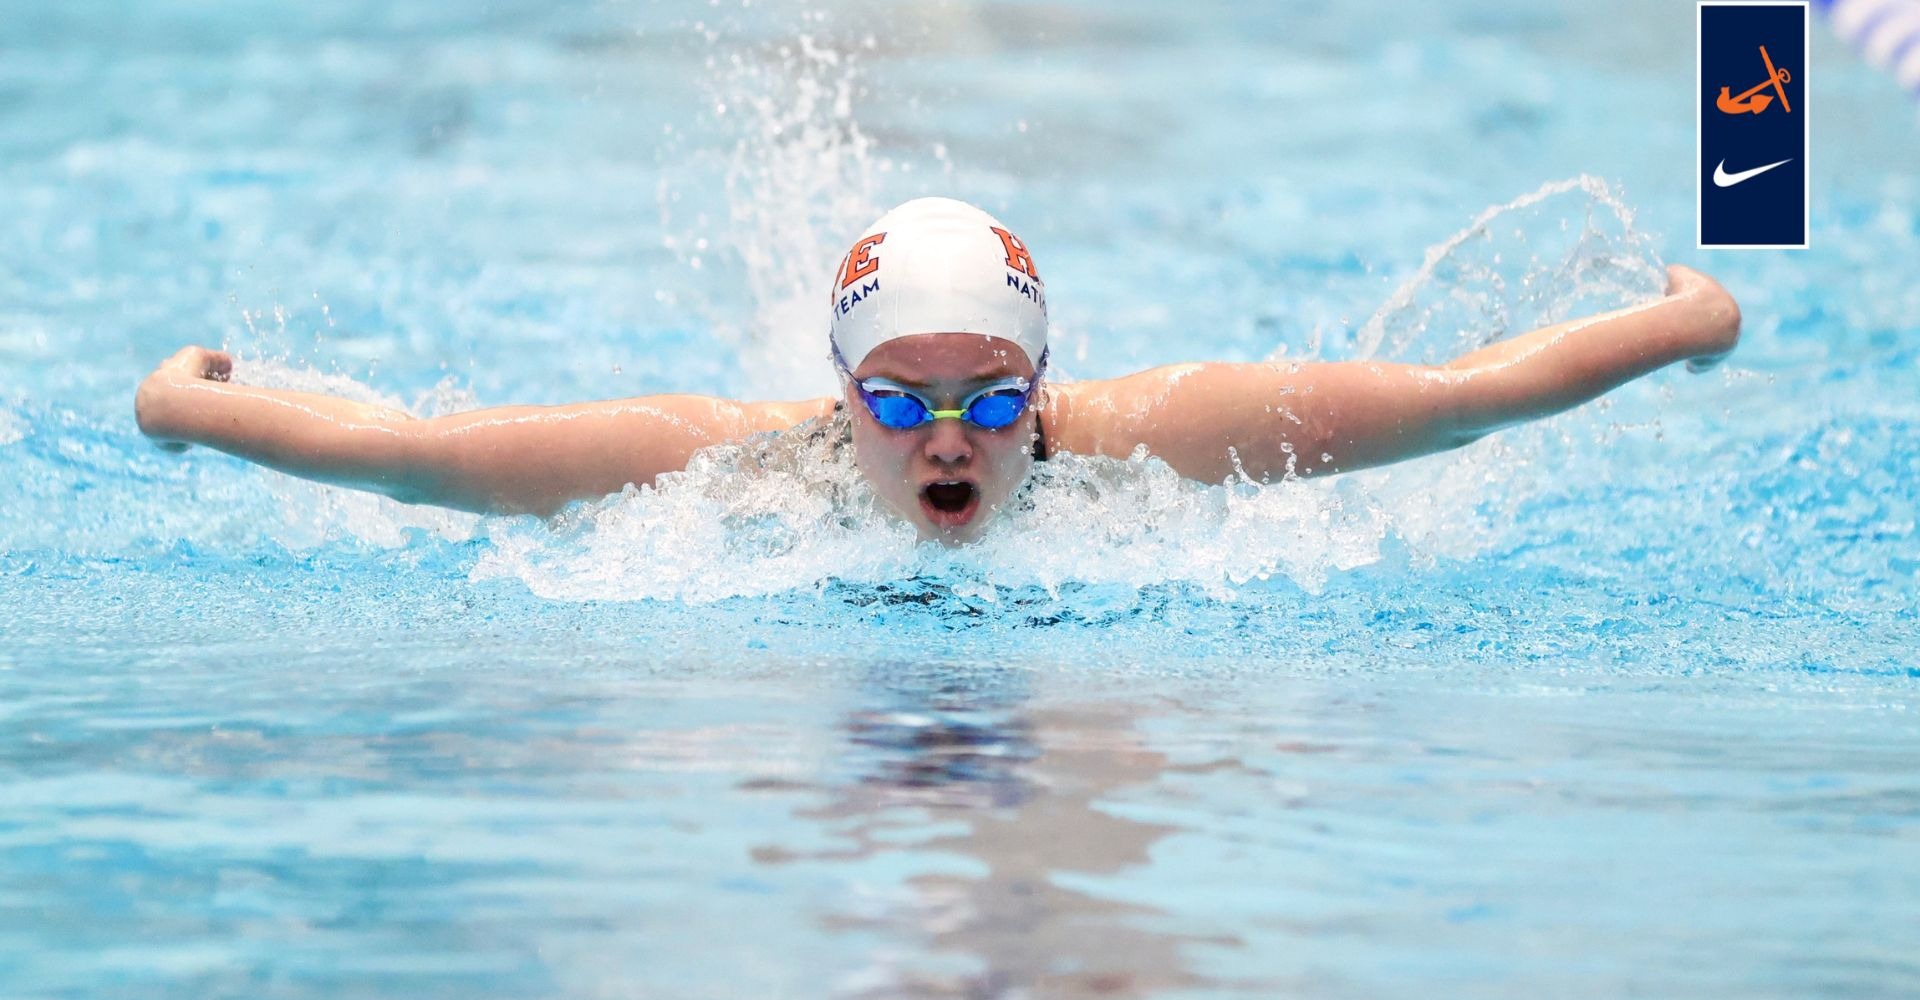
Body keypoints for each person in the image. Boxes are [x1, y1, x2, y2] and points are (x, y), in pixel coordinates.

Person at [134, 197, 1741, 544]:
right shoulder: (720, 467)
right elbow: (421, 454)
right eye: (900, 401)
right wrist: (189, 410)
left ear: (1046, 393)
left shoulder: (1171, 442)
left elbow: (1464, 393)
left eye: (989, 398)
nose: (948, 438)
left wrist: (1683, 324)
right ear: (842, 402)